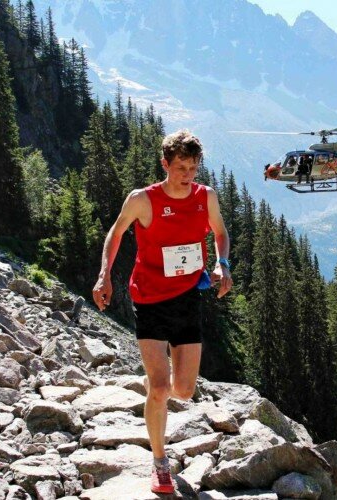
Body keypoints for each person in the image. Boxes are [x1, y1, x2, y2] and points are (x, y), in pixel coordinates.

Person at [92, 129, 232, 494]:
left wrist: (223, 264)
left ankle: (163, 395)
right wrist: (105, 274)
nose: (187, 175)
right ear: (165, 164)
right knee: (159, 388)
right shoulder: (144, 200)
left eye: (193, 167)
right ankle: (159, 462)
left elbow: (220, 233)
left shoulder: (206, 197)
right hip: (150, 298)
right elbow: (116, 232)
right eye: (181, 167)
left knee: (183, 391)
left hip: (187, 296)